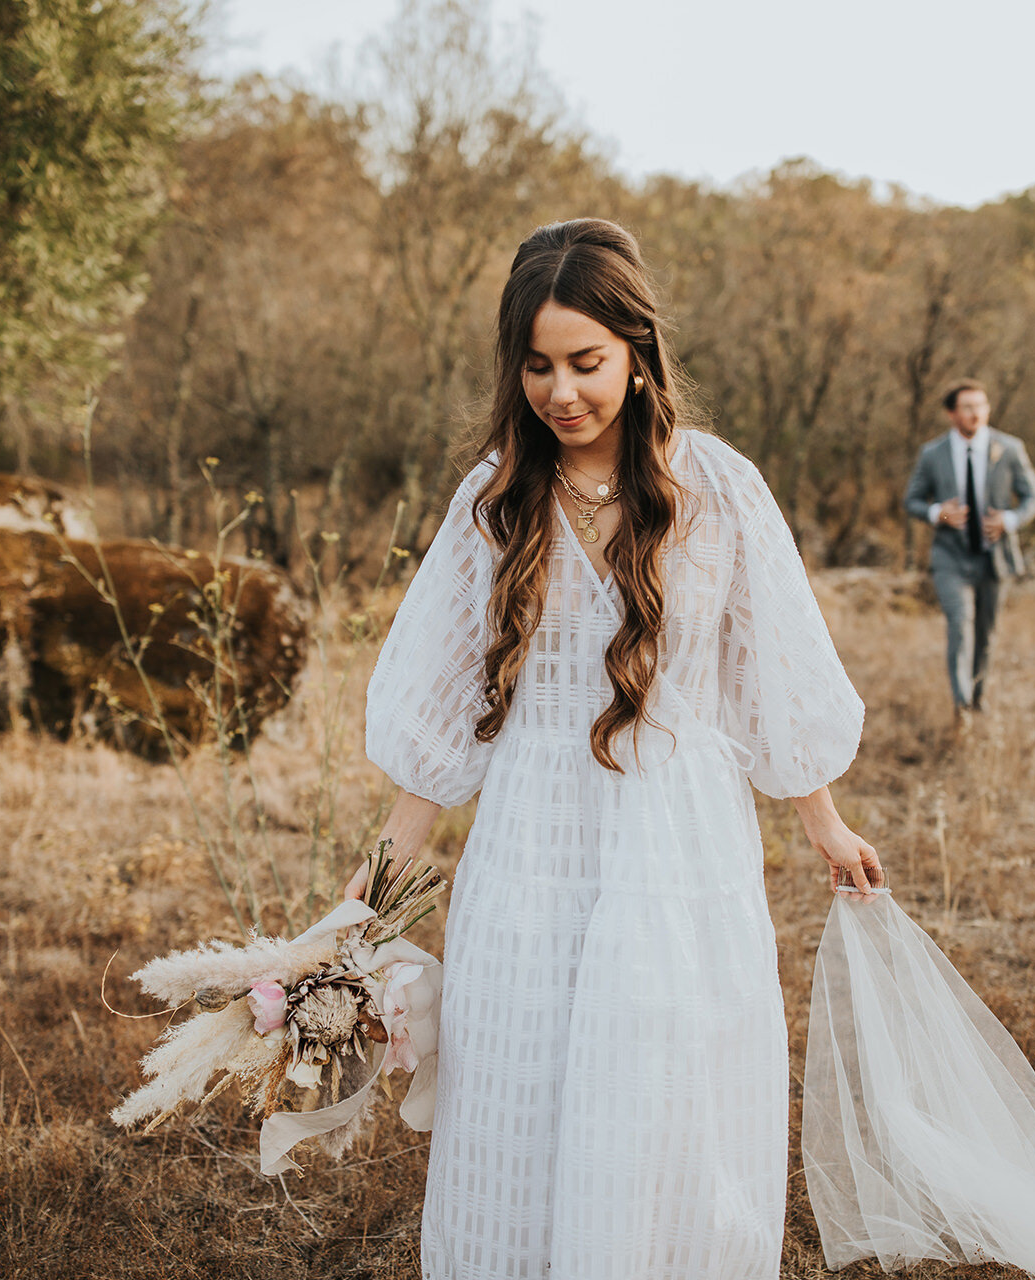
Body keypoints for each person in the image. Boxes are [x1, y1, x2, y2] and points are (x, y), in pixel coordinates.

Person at [343, 217, 879, 1280]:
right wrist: (389, 863)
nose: (562, 391)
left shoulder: (720, 489)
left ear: (638, 354)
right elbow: (454, 699)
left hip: (676, 841)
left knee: (659, 1085)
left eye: (586, 361)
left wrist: (824, 818)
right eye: (537, 365)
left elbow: (770, 669)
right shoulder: (495, 498)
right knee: (523, 1079)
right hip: (532, 844)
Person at [901, 378, 1035, 718]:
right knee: (959, 625)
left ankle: (979, 696)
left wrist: (1010, 520)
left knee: (986, 634)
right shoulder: (932, 453)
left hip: (994, 558)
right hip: (950, 556)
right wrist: (938, 513)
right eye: (967, 407)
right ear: (952, 413)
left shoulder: (1009, 448)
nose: (975, 413)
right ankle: (961, 704)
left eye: (980, 405)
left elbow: (1034, 496)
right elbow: (912, 500)